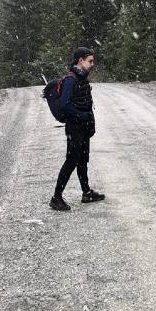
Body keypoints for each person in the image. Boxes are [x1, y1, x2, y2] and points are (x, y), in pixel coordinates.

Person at [50, 47, 106, 211]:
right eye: (90, 61)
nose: (92, 64)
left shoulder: (82, 79)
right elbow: (65, 106)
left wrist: (90, 122)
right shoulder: (70, 80)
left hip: (83, 127)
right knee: (71, 161)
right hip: (74, 128)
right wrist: (82, 117)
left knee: (83, 159)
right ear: (80, 61)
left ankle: (86, 193)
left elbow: (87, 104)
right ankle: (56, 197)